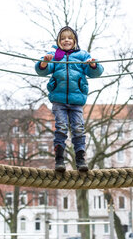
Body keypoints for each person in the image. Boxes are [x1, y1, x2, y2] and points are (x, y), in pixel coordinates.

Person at [35, 26, 104, 172]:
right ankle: (59, 160)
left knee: (78, 128)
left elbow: (96, 72)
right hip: (59, 100)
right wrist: (44, 63)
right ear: (59, 41)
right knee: (61, 127)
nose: (66, 40)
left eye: (69, 38)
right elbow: (42, 70)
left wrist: (92, 65)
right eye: (63, 38)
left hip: (76, 100)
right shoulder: (54, 55)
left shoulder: (82, 55)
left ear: (75, 41)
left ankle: (80, 160)